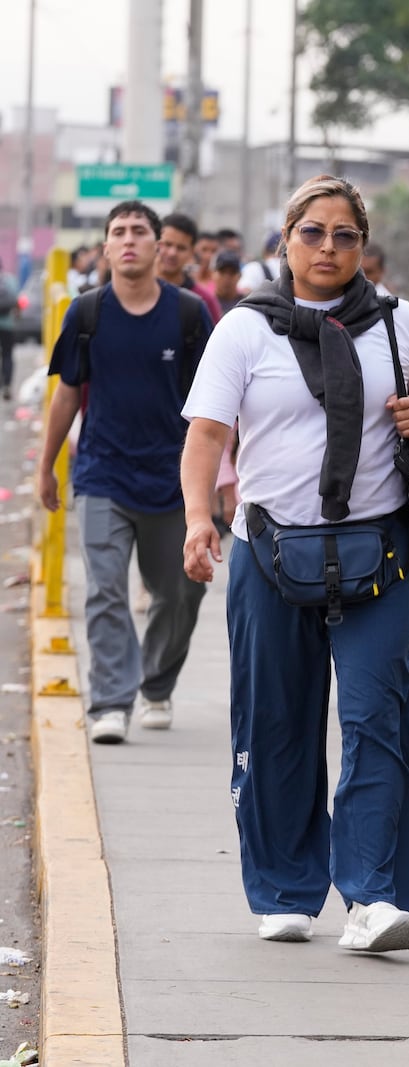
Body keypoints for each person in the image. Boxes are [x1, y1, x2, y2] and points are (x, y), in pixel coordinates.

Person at [178, 174, 409, 951]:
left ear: (362, 246)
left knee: (375, 713)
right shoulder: (244, 330)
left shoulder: (399, 324)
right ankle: (284, 888)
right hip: (270, 551)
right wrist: (200, 519)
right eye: (312, 232)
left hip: (380, 555)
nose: (328, 248)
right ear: (285, 241)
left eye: (344, 235)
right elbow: (206, 434)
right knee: (277, 722)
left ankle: (372, 897)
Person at [34, 200, 214, 743]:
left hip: (171, 478)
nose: (130, 239)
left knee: (179, 594)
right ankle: (110, 702)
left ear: (160, 247)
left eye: (140, 230)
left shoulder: (188, 314)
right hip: (101, 475)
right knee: (106, 590)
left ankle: (155, 687)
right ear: (106, 247)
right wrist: (47, 466)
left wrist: (222, 477)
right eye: (120, 232)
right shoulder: (86, 313)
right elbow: (67, 393)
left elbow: (215, 401)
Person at [157, 212, 225, 324]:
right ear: (155, 242)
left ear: (192, 252)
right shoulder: (136, 290)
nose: (172, 253)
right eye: (167, 244)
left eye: (181, 248)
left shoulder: (203, 300)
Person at [0, 257, 16, 402]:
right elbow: (17, 300)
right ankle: (7, 385)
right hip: (8, 325)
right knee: (7, 355)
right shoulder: (10, 280)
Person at [213, 250, 244, 314]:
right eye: (222, 272)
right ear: (213, 274)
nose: (227, 278)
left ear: (239, 276)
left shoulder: (246, 304)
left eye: (232, 273)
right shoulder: (208, 303)